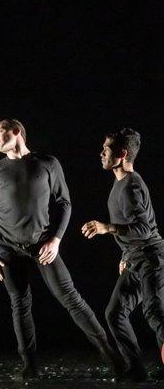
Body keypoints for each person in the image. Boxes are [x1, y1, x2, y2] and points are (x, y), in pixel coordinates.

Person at [0, 119, 121, 381]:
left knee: (70, 297)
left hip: (42, 243)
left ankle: (112, 357)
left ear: (16, 132)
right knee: (19, 303)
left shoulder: (47, 163)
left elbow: (65, 203)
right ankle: (30, 365)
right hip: (7, 247)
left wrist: (55, 240)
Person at [82, 128, 164, 382]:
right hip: (135, 258)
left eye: (106, 149)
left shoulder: (131, 185)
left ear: (122, 154)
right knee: (115, 313)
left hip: (151, 258)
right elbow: (133, 229)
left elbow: (143, 229)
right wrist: (125, 254)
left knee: (155, 313)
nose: (101, 153)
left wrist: (107, 228)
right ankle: (136, 370)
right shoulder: (120, 183)